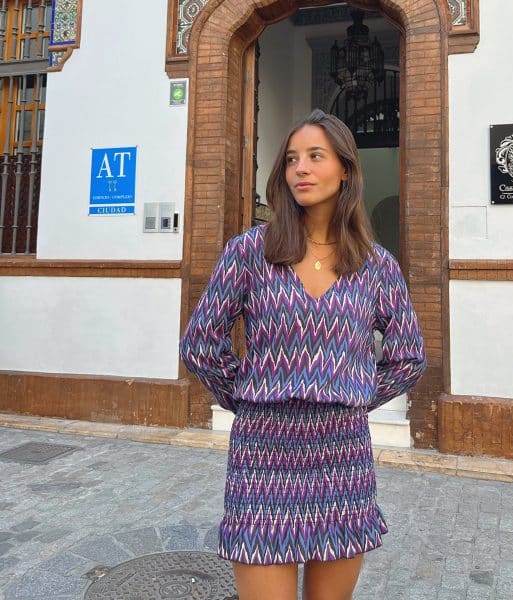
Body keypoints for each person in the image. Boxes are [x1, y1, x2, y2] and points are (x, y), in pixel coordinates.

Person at [180, 109, 426, 600]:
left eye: (316, 156)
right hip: (263, 454)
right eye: (292, 159)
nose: (301, 169)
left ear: (346, 170)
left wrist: (351, 394)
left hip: (341, 454)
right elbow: (200, 343)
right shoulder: (250, 252)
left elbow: (408, 356)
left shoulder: (376, 265)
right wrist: (249, 398)